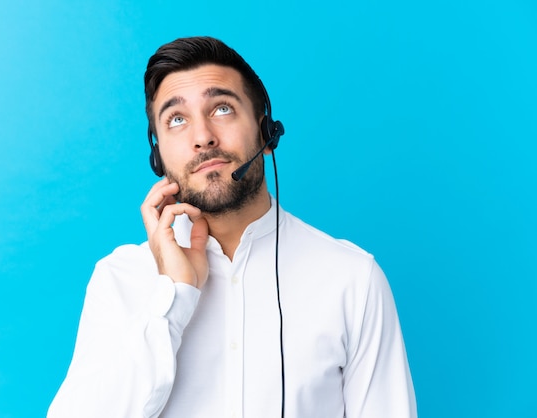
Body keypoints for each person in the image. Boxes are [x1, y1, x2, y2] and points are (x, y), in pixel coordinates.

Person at [48, 36, 417, 418]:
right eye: (177, 119)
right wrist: (173, 295)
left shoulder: (352, 279)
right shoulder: (119, 280)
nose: (202, 136)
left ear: (266, 133)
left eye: (222, 108)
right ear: (157, 157)